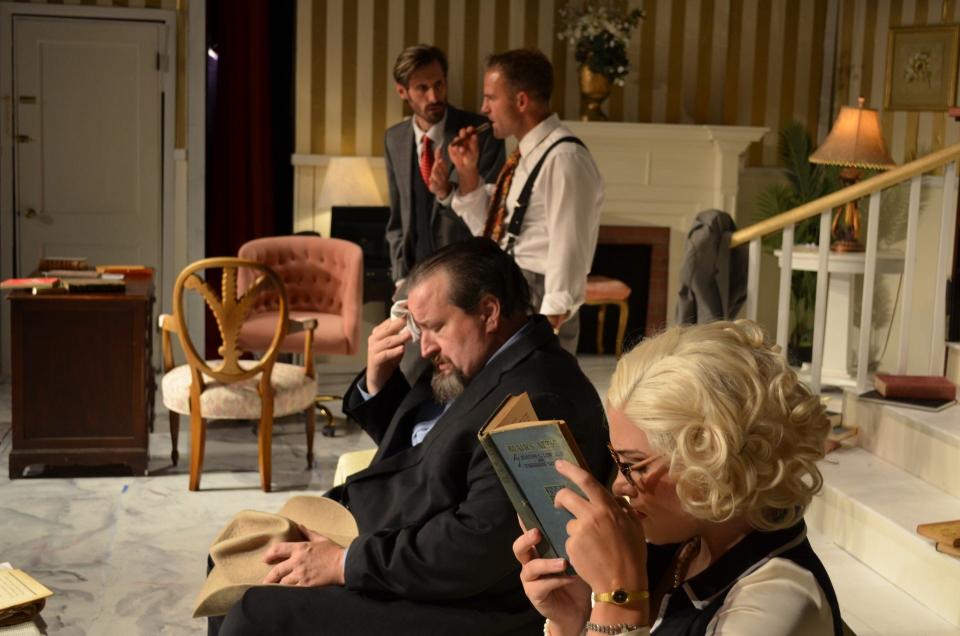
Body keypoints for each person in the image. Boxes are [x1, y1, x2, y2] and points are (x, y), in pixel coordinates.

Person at [214, 238, 612, 636]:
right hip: (392, 541)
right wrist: (377, 382)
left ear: (489, 312)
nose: (424, 347)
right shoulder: (476, 357)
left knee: (255, 611)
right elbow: (426, 449)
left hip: (465, 602)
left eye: (435, 327)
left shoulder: (540, 398)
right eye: (419, 329)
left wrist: (344, 563)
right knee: (232, 559)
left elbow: (476, 545)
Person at [513, 320, 844, 635]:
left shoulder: (777, 606)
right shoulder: (685, 542)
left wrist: (618, 596)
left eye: (636, 465)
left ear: (716, 462)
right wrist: (576, 619)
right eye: (616, 459)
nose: (619, 484)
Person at [445, 48, 604, 355]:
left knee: (536, 399)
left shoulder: (564, 158)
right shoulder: (525, 155)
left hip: (540, 295)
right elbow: (495, 232)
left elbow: (568, 245)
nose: (484, 108)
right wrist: (467, 172)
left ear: (520, 101)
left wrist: (549, 328)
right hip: (514, 285)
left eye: (491, 98)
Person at [384, 44, 505, 298]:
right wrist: (399, 277)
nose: (434, 97)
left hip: (466, 280)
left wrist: (448, 193)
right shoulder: (393, 139)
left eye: (439, 84)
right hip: (413, 279)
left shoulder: (480, 133)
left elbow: (492, 215)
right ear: (402, 91)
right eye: (422, 88)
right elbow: (396, 219)